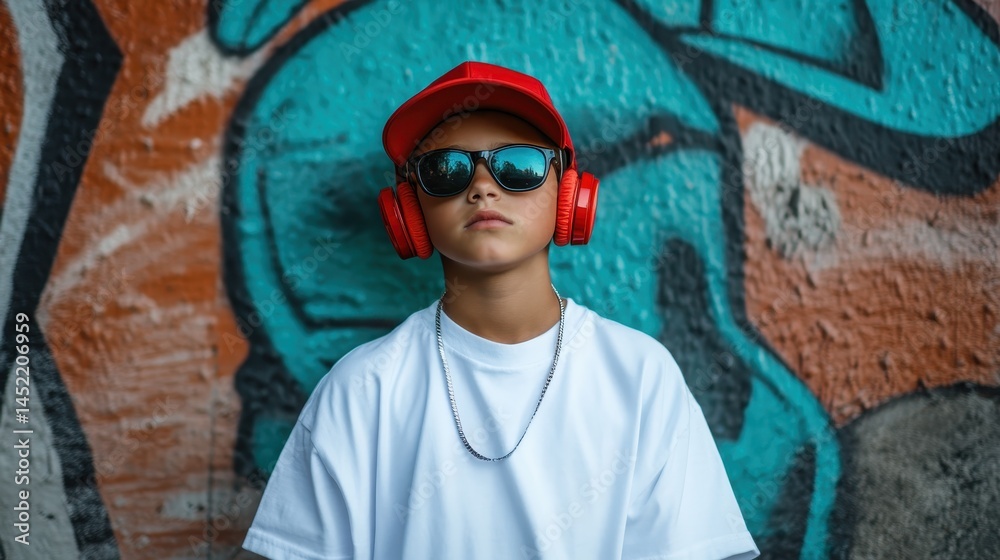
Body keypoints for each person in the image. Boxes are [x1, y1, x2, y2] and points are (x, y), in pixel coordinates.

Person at [242, 60, 759, 560]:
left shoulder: (641, 376)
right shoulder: (363, 388)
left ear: (569, 193)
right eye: (446, 169)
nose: (482, 186)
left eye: (519, 165)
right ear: (408, 210)